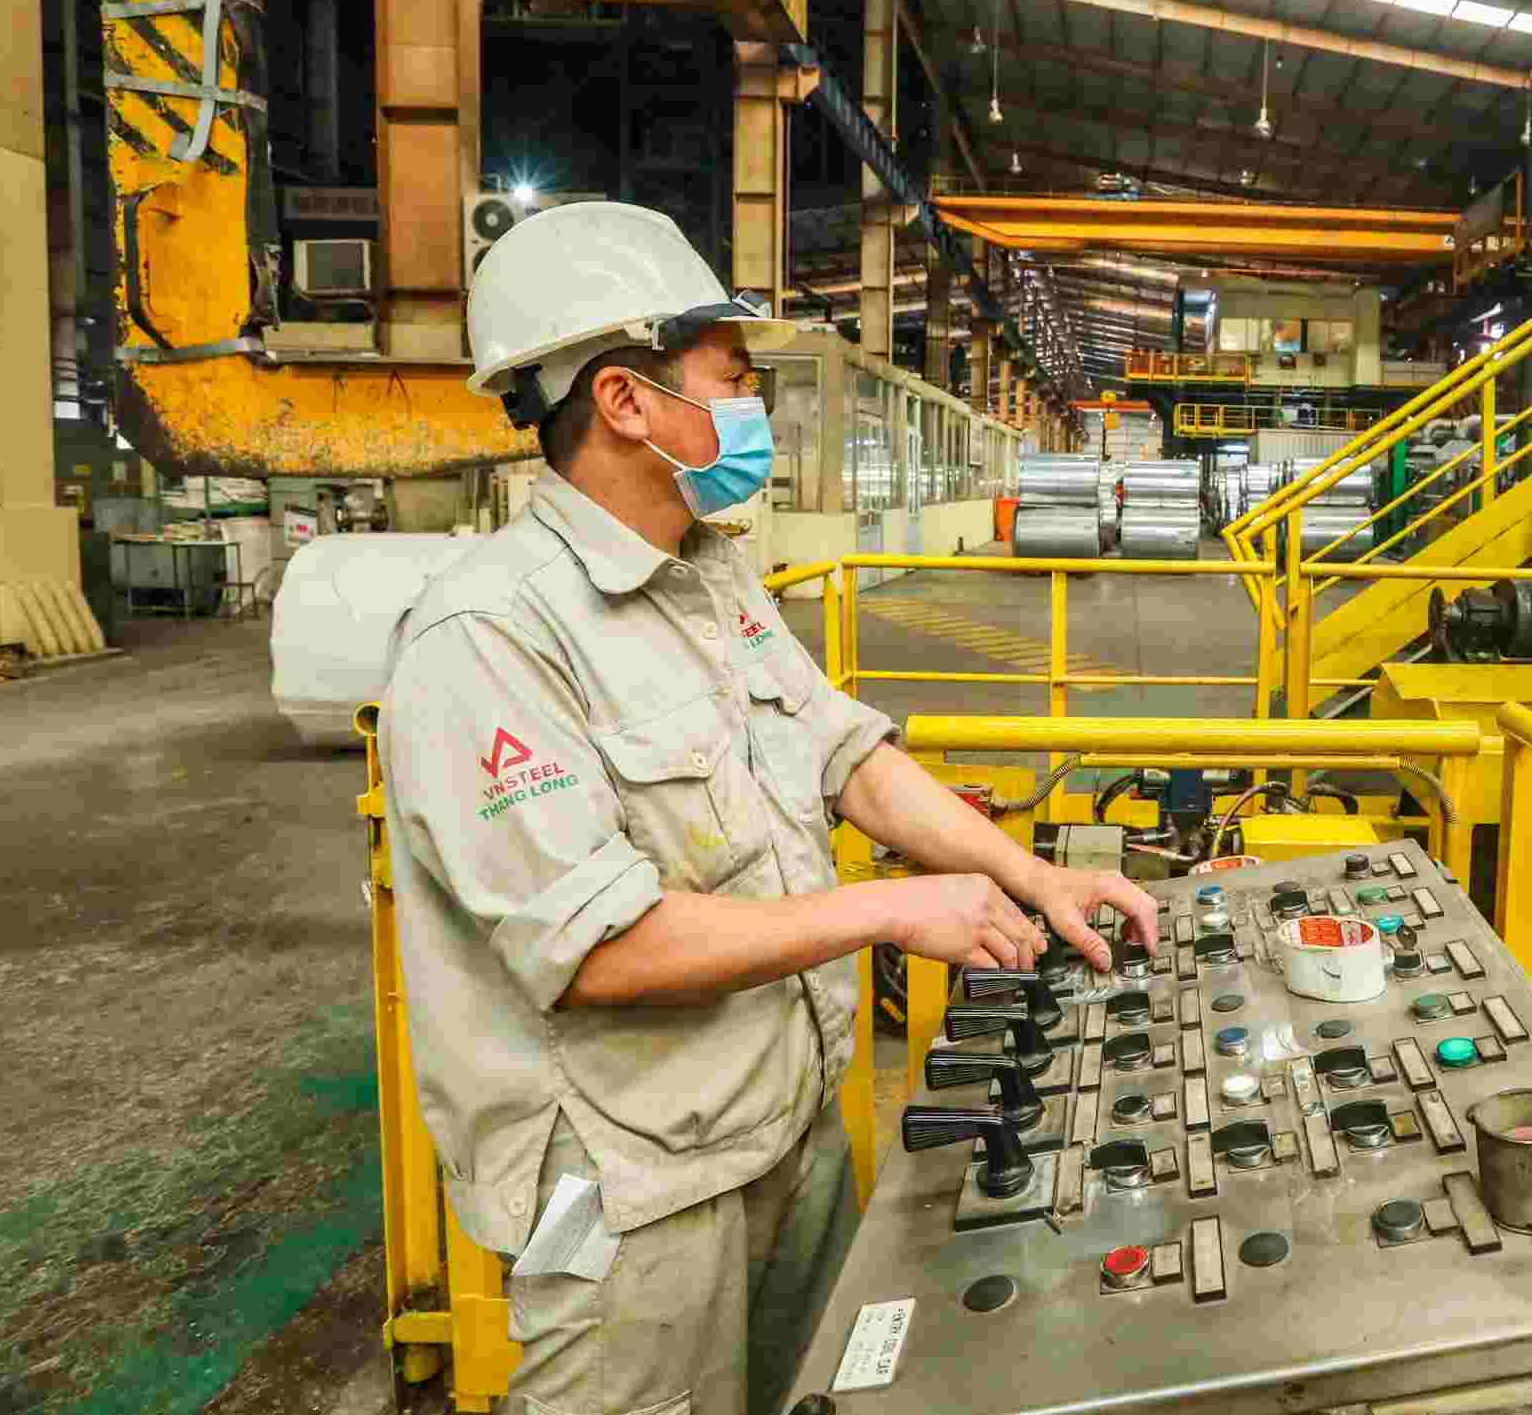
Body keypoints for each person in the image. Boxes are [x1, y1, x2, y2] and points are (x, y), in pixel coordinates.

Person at [380, 201, 1158, 1415]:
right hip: (641, 1193)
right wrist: (888, 910)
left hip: (789, 1133)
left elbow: (844, 754)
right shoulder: (488, 636)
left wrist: (1028, 876)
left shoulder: (709, 568)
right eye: (729, 380)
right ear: (628, 400)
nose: (755, 408)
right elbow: (601, 947)